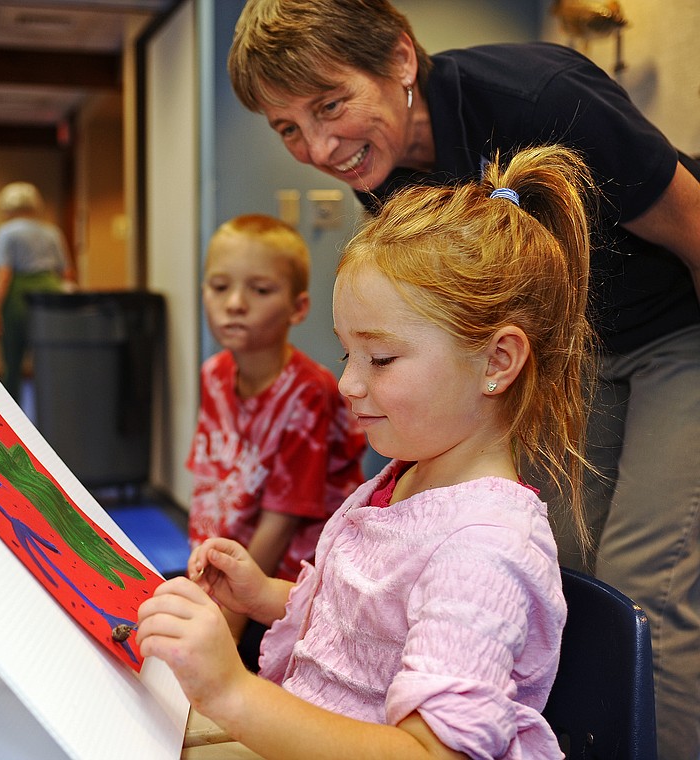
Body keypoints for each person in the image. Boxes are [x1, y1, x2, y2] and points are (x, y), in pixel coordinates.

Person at [226, 4, 700, 756]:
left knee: (648, 583)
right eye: (288, 128)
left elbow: (692, 225)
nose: (318, 146)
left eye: (330, 105)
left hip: (679, 325)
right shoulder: (379, 169)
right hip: (566, 351)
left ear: (402, 60)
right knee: (567, 560)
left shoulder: (538, 98)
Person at [138, 146, 594, 758]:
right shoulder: (405, 478)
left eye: (380, 359)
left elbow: (433, 753)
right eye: (347, 354)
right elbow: (363, 627)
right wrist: (264, 595)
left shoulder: (485, 550)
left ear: (497, 361)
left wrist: (231, 692)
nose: (349, 383)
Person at [187, 213, 365, 670]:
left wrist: (224, 629)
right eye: (219, 286)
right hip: (228, 568)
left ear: (298, 307)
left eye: (260, 290)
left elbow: (280, 524)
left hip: (290, 587)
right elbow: (213, 485)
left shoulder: (308, 392)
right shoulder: (213, 376)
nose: (235, 304)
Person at [0, 182, 72, 401]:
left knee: (12, 362)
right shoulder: (52, 231)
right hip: (52, 295)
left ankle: (11, 414)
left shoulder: (6, 233)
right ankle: (54, 409)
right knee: (51, 359)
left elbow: (2, 274)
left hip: (19, 296)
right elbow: (67, 273)